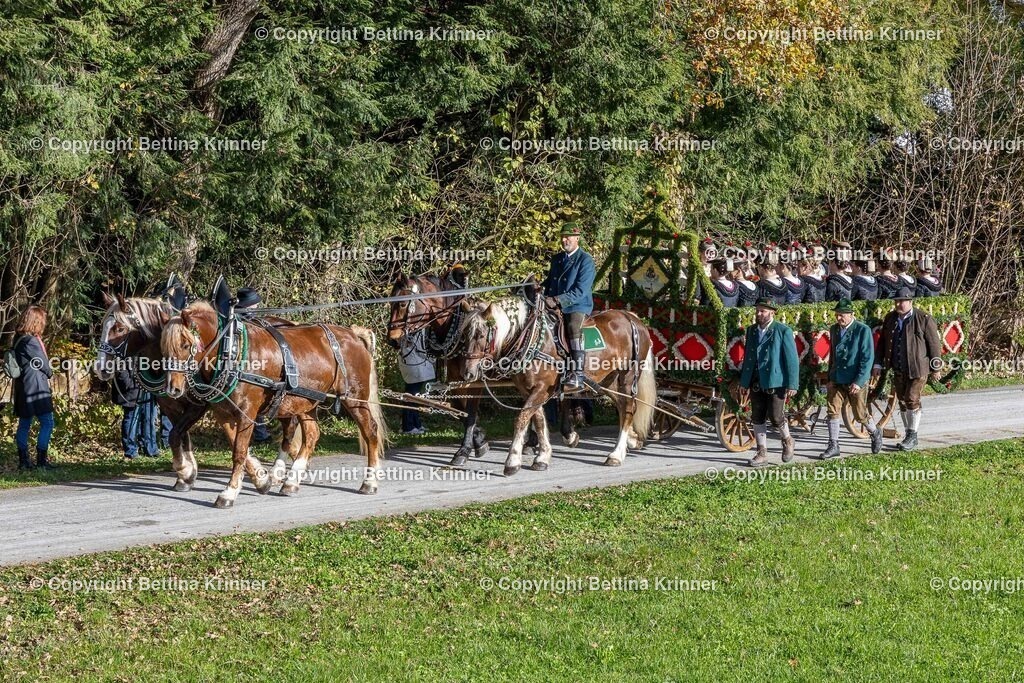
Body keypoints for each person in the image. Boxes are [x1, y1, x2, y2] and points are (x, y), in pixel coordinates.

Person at [872, 288, 942, 450]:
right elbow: (883, 344)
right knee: (903, 401)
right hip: (897, 366)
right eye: (896, 301)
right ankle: (908, 434)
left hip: (918, 368)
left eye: (901, 301)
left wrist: (936, 368)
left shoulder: (923, 318)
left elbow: (934, 345)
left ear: (910, 302)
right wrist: (878, 364)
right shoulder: (890, 318)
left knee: (911, 398)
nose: (898, 304)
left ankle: (912, 436)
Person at [739, 298, 799, 467]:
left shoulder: (782, 331)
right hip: (756, 379)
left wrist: (792, 384)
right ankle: (761, 452)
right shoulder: (751, 331)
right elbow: (748, 359)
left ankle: (787, 440)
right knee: (757, 416)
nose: (759, 314)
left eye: (763, 311)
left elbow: (792, 360)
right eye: (757, 310)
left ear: (772, 312)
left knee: (776, 416)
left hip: (776, 380)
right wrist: (744, 381)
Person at [819, 299, 883, 458]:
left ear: (851, 314)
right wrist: (830, 376)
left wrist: (859, 381)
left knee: (859, 414)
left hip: (855, 378)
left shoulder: (863, 330)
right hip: (837, 377)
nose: (839, 318)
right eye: (837, 315)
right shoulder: (834, 329)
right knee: (832, 410)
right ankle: (833, 445)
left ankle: (875, 432)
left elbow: (867, 358)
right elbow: (833, 355)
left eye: (842, 315)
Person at [543, 221, 596, 393]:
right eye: (563, 237)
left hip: (577, 305)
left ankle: (578, 373)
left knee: (573, 326)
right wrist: (537, 288)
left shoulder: (586, 261)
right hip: (555, 304)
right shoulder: (557, 259)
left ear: (577, 238)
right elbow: (550, 282)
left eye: (568, 237)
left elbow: (580, 290)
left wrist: (557, 300)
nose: (565, 240)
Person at [10, 306, 55, 470]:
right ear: (36, 322)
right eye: (42, 321)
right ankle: (41, 461)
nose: (44, 324)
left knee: (24, 425)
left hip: (23, 388)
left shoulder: (19, 338)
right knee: (48, 423)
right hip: (36, 389)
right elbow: (43, 363)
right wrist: (50, 373)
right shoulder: (31, 341)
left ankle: (24, 461)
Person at [398, 327, 435, 435]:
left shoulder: (416, 329)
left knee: (415, 396)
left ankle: (416, 424)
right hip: (413, 363)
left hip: (415, 362)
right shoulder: (410, 330)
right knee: (411, 396)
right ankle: (408, 426)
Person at [111, 358, 144, 459]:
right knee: (130, 420)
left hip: (135, 390)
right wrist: (130, 384)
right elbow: (121, 370)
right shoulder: (122, 353)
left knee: (134, 420)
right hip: (129, 392)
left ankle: (134, 447)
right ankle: (130, 450)